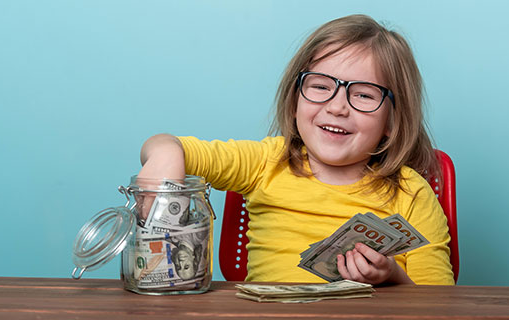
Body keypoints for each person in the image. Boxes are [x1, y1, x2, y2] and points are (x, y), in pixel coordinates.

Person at [138, 14, 454, 285]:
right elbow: (170, 145)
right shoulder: (264, 162)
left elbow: (439, 305)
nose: (337, 107)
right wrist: (165, 155)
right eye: (319, 86)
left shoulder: (412, 193)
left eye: (363, 95)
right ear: (294, 100)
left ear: (392, 121)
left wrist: (394, 279)